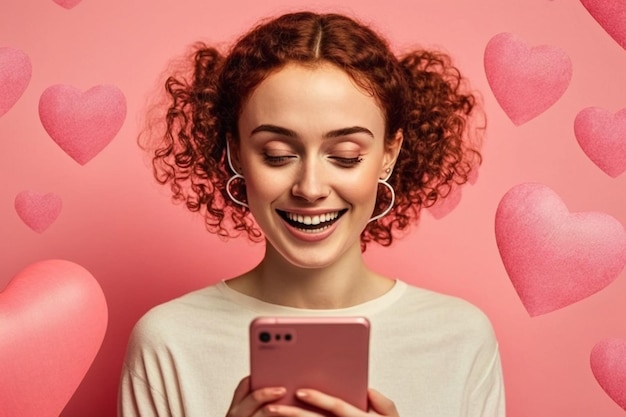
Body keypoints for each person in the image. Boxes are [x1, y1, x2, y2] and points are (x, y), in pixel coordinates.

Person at [118, 11, 505, 417]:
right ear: (235, 153)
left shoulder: (460, 338)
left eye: (345, 156)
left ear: (388, 157)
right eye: (278, 155)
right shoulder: (168, 341)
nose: (311, 188)